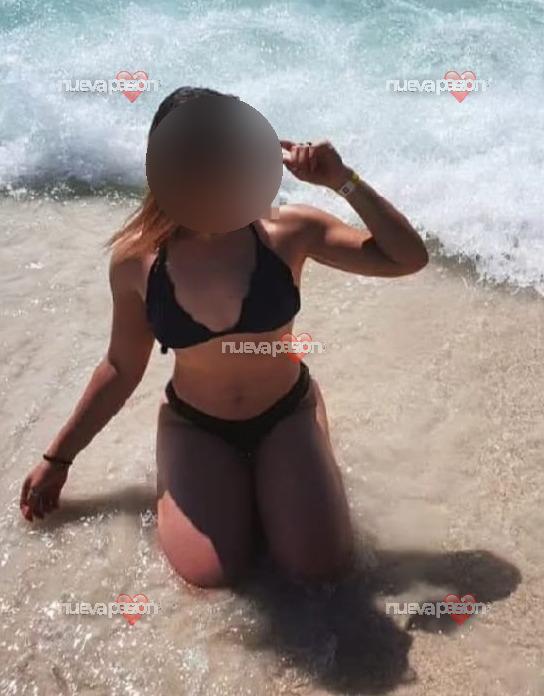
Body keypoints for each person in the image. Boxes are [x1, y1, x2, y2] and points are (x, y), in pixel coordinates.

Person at [19, 86, 429, 588]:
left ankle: (310, 428)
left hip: (285, 413)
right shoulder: (137, 261)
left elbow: (407, 258)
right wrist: (58, 458)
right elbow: (122, 368)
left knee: (318, 568)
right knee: (210, 576)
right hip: (197, 425)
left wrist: (343, 181)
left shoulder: (287, 232)